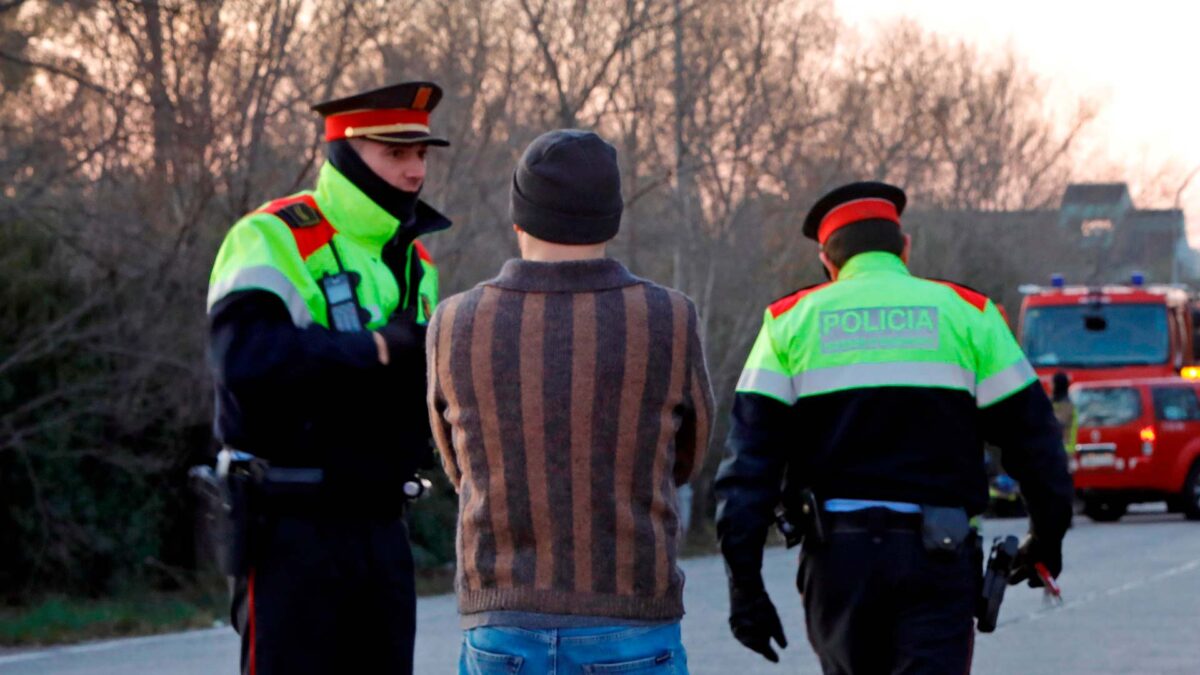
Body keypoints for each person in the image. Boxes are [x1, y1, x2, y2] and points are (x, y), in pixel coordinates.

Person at [714, 182, 1074, 673]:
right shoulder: (970, 315)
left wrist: (745, 589)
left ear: (827, 260)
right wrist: (1046, 537)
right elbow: (1036, 443)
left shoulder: (787, 324)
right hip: (939, 561)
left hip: (838, 563)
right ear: (904, 248)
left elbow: (748, 469)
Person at [425, 129, 714, 674]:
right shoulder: (668, 318)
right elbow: (687, 458)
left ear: (519, 217)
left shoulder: (454, 323)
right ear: (613, 217)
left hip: (502, 620)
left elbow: (457, 466)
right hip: (630, 614)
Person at [206, 81, 452, 674]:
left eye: (421, 153)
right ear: (345, 152)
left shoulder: (417, 263)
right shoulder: (271, 236)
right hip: (290, 526)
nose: (415, 170)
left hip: (382, 524)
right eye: (395, 153)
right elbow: (243, 360)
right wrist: (370, 348)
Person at [1051, 371, 1078, 453]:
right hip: (1063, 451)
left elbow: (1057, 425)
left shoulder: (1065, 405)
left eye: (1053, 384)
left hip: (1062, 451)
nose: (1051, 386)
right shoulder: (1070, 404)